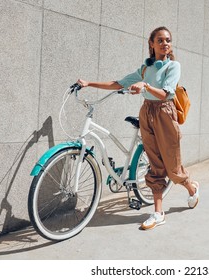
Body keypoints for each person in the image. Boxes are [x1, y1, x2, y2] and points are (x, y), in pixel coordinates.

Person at [77, 26, 199, 230]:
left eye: (167, 40)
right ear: (151, 44)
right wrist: (89, 83)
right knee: (155, 164)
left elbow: (167, 94)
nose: (165, 43)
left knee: (173, 168)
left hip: (165, 114)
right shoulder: (145, 68)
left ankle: (192, 187)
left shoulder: (173, 66)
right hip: (147, 113)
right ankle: (158, 213)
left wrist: (146, 86)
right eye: (160, 40)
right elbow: (119, 83)